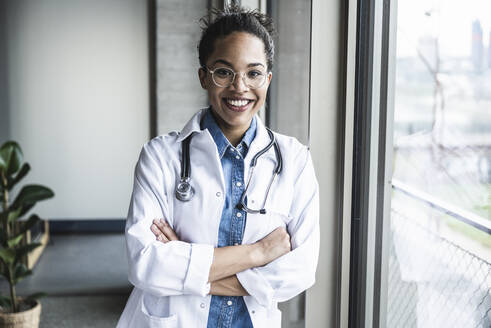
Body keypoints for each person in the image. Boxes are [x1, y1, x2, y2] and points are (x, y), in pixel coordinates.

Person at [116, 5, 319, 328]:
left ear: (267, 78)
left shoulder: (294, 160)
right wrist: (258, 253)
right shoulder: (159, 156)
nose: (240, 87)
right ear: (203, 76)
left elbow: (300, 271)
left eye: (253, 73)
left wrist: (184, 262)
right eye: (224, 71)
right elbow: (145, 265)